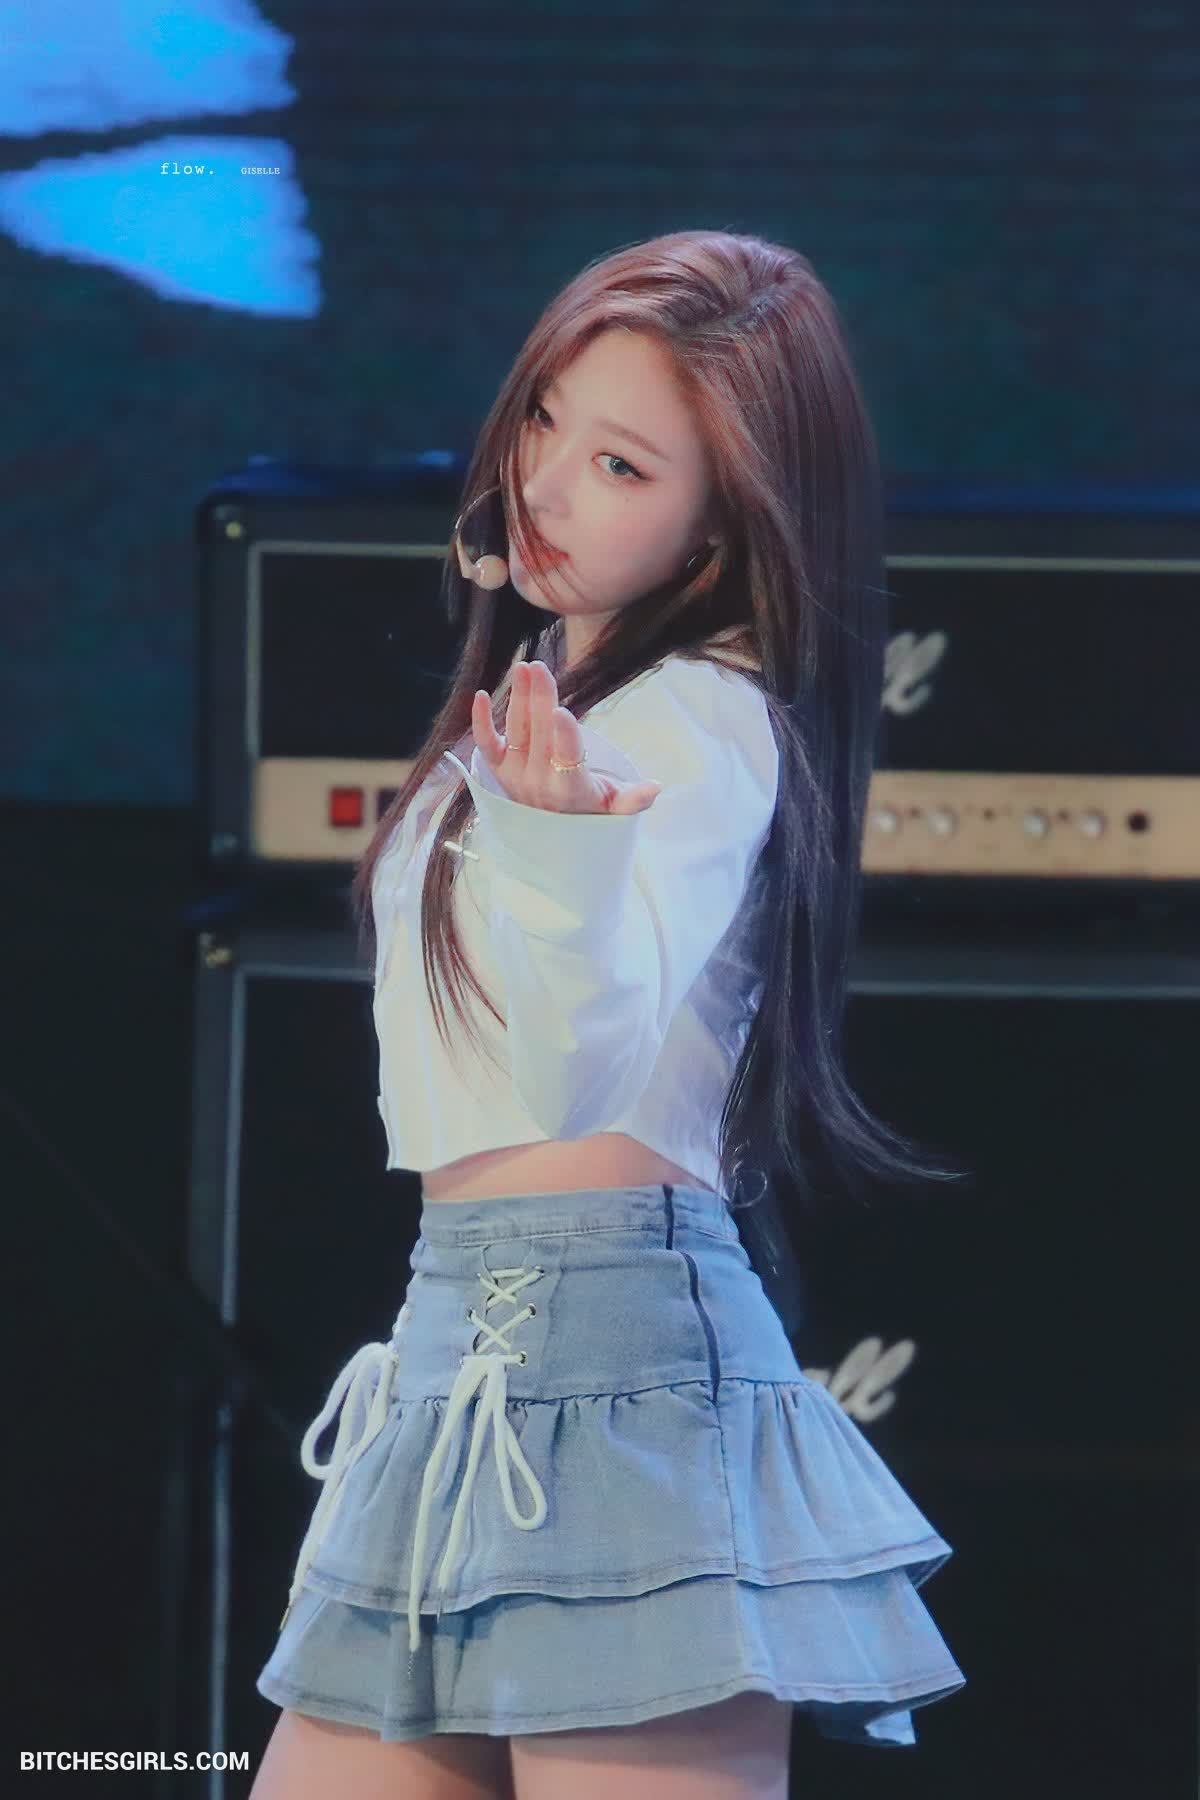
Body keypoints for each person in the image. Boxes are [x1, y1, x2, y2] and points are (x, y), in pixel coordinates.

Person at [251, 230, 968, 1798]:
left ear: (722, 529)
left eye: (622, 465)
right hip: (458, 1342)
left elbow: (572, 1077)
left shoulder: (697, 718)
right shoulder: (563, 709)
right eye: (543, 421)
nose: (546, 485)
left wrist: (560, 852)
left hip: (613, 1350)